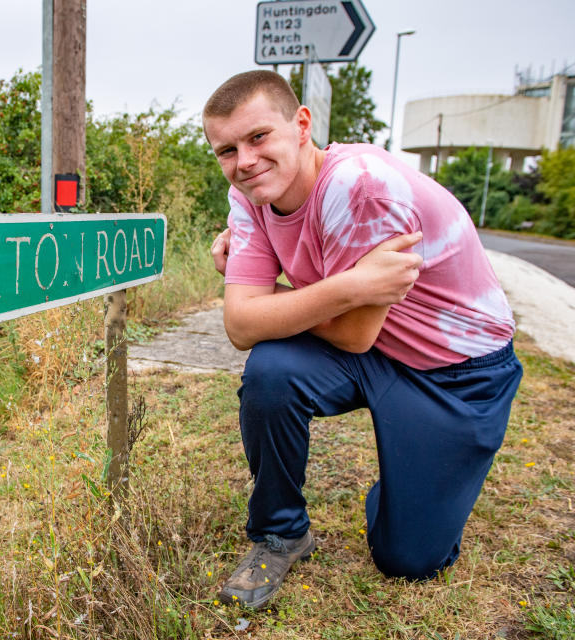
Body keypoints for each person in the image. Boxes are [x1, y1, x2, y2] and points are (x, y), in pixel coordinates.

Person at [204, 70, 523, 610]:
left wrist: (271, 299)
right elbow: (241, 327)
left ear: (302, 125)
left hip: (458, 371)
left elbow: (351, 332)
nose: (245, 161)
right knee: (271, 370)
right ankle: (280, 533)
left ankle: (414, 477)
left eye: (258, 137)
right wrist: (348, 286)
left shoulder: (362, 187)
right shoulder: (251, 194)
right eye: (226, 150)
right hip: (374, 351)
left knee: (409, 560)